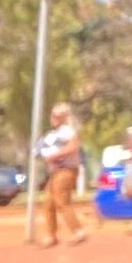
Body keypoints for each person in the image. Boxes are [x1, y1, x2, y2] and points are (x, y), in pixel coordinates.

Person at [33, 101, 86, 246]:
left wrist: (54, 156)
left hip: (66, 171)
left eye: (56, 115)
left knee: (62, 201)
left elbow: (73, 147)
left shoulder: (67, 131)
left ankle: (78, 232)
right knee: (48, 203)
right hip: (55, 172)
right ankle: (51, 236)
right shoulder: (52, 134)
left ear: (63, 117)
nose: (53, 118)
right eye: (52, 115)